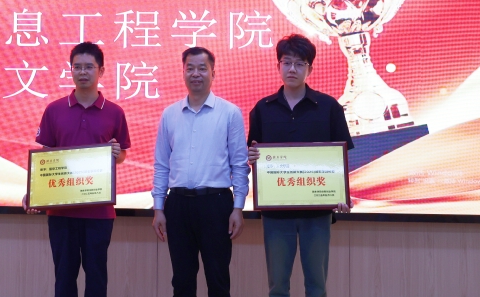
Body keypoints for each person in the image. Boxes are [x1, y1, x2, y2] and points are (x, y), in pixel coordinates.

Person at [247, 34, 354, 297]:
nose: (292, 69)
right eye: (286, 62)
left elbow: (342, 157)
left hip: (316, 213)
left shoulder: (329, 107)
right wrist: (252, 157)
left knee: (316, 286)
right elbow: (254, 154)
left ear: (310, 69)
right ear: (278, 66)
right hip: (275, 213)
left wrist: (342, 194)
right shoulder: (262, 109)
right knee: (277, 287)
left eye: (299, 63)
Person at [23, 42, 131, 297]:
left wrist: (116, 154)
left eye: (89, 67)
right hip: (61, 211)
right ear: (70, 70)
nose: (83, 72)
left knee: (97, 278)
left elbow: (122, 155)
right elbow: (46, 156)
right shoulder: (54, 109)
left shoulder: (114, 112)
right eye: (77, 67)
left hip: (99, 212)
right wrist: (33, 192)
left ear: (101, 71)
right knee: (63, 278)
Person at [151, 47, 250, 297]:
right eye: (190, 68)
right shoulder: (169, 114)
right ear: (183, 72)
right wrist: (159, 208)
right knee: (182, 281)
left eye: (202, 68)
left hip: (216, 205)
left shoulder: (230, 113)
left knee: (218, 280)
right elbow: (162, 165)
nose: (196, 74)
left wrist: (238, 207)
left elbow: (240, 165)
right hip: (178, 205)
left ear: (213, 73)